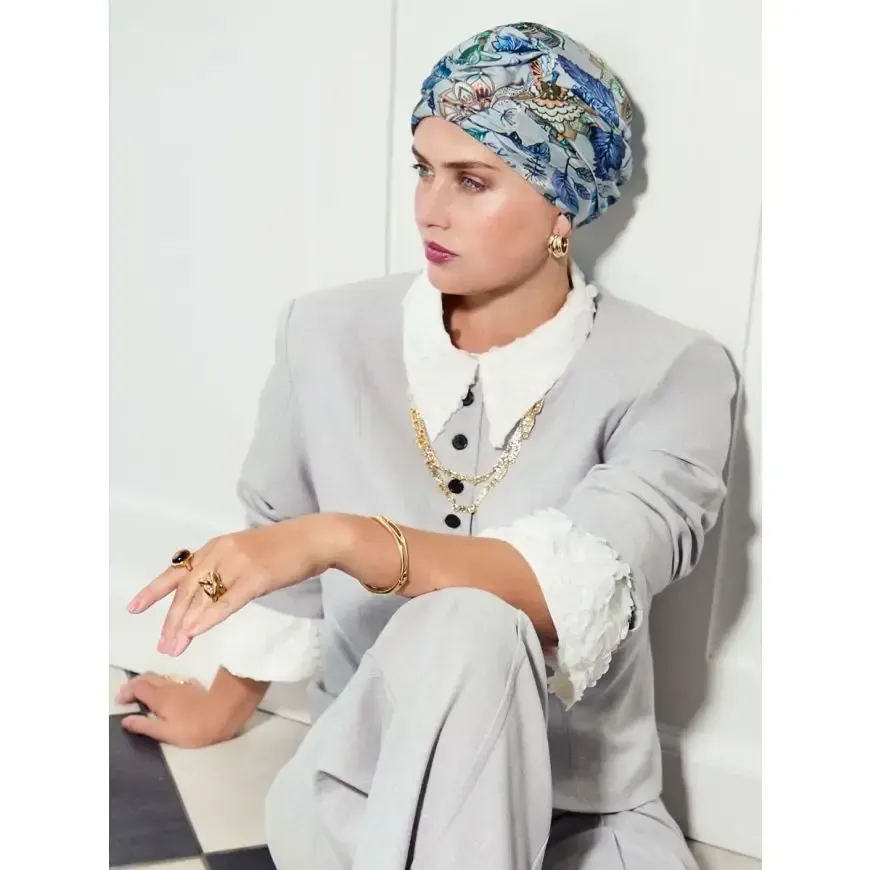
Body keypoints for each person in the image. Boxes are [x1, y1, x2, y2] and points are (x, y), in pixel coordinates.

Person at [119, 21, 736, 869]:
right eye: (424, 169)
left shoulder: (672, 371)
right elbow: (274, 528)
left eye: (471, 180)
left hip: (578, 818)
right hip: (366, 793)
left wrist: (338, 539)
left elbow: (577, 582)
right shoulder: (325, 334)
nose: (429, 209)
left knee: (475, 620)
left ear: (562, 205)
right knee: (463, 626)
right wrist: (225, 704)